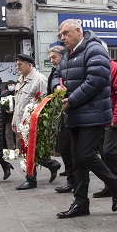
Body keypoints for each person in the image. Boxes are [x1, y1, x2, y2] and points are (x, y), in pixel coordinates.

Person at [52, 19, 117, 219]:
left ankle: (115, 183)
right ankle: (81, 202)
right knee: (77, 162)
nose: (63, 38)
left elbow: (97, 79)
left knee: (85, 155)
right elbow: (55, 75)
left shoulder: (95, 49)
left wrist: (72, 101)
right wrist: (56, 87)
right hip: (74, 115)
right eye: (61, 35)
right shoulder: (67, 54)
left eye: (66, 33)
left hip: (93, 114)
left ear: (78, 31)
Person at [13, 53, 61, 190]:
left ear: (29, 65)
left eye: (20, 65)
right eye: (17, 65)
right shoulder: (20, 80)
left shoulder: (39, 80)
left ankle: (31, 179)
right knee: (27, 151)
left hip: (33, 123)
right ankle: (52, 165)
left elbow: (45, 102)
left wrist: (40, 123)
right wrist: (14, 122)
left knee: (31, 152)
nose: (18, 68)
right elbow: (18, 103)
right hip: (21, 122)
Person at [92, 41, 117, 198]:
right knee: (103, 153)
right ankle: (111, 184)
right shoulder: (95, 70)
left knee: (109, 150)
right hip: (98, 118)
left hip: (111, 117)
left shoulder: (116, 68)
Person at [49, 45, 75, 194]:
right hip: (60, 115)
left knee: (68, 149)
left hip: (70, 112)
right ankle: (71, 178)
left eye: (54, 57)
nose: (52, 60)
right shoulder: (56, 71)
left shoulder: (68, 70)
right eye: (51, 57)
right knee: (64, 149)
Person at [1, 80, 16, 151]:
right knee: (8, 134)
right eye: (9, 85)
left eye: (12, 84)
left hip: (16, 116)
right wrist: (6, 110)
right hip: (7, 117)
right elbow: (1, 104)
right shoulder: (4, 94)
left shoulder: (17, 93)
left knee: (18, 134)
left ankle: (19, 150)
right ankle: (11, 149)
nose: (10, 86)